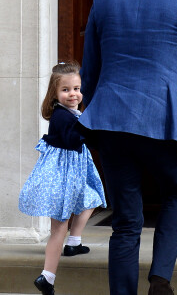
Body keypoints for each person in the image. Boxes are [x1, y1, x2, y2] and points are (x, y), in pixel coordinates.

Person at [78, 0, 177, 294]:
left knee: (125, 221)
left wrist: (93, 110)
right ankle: (160, 279)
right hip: (163, 117)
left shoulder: (104, 0)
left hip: (111, 118)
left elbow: (89, 68)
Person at [19, 61, 106, 295]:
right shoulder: (61, 116)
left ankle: (74, 243)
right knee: (59, 228)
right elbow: (72, 140)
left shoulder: (70, 113)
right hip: (62, 177)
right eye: (66, 90)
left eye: (77, 88)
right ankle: (47, 277)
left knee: (92, 197)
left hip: (74, 173)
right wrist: (91, 129)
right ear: (55, 94)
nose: (73, 94)